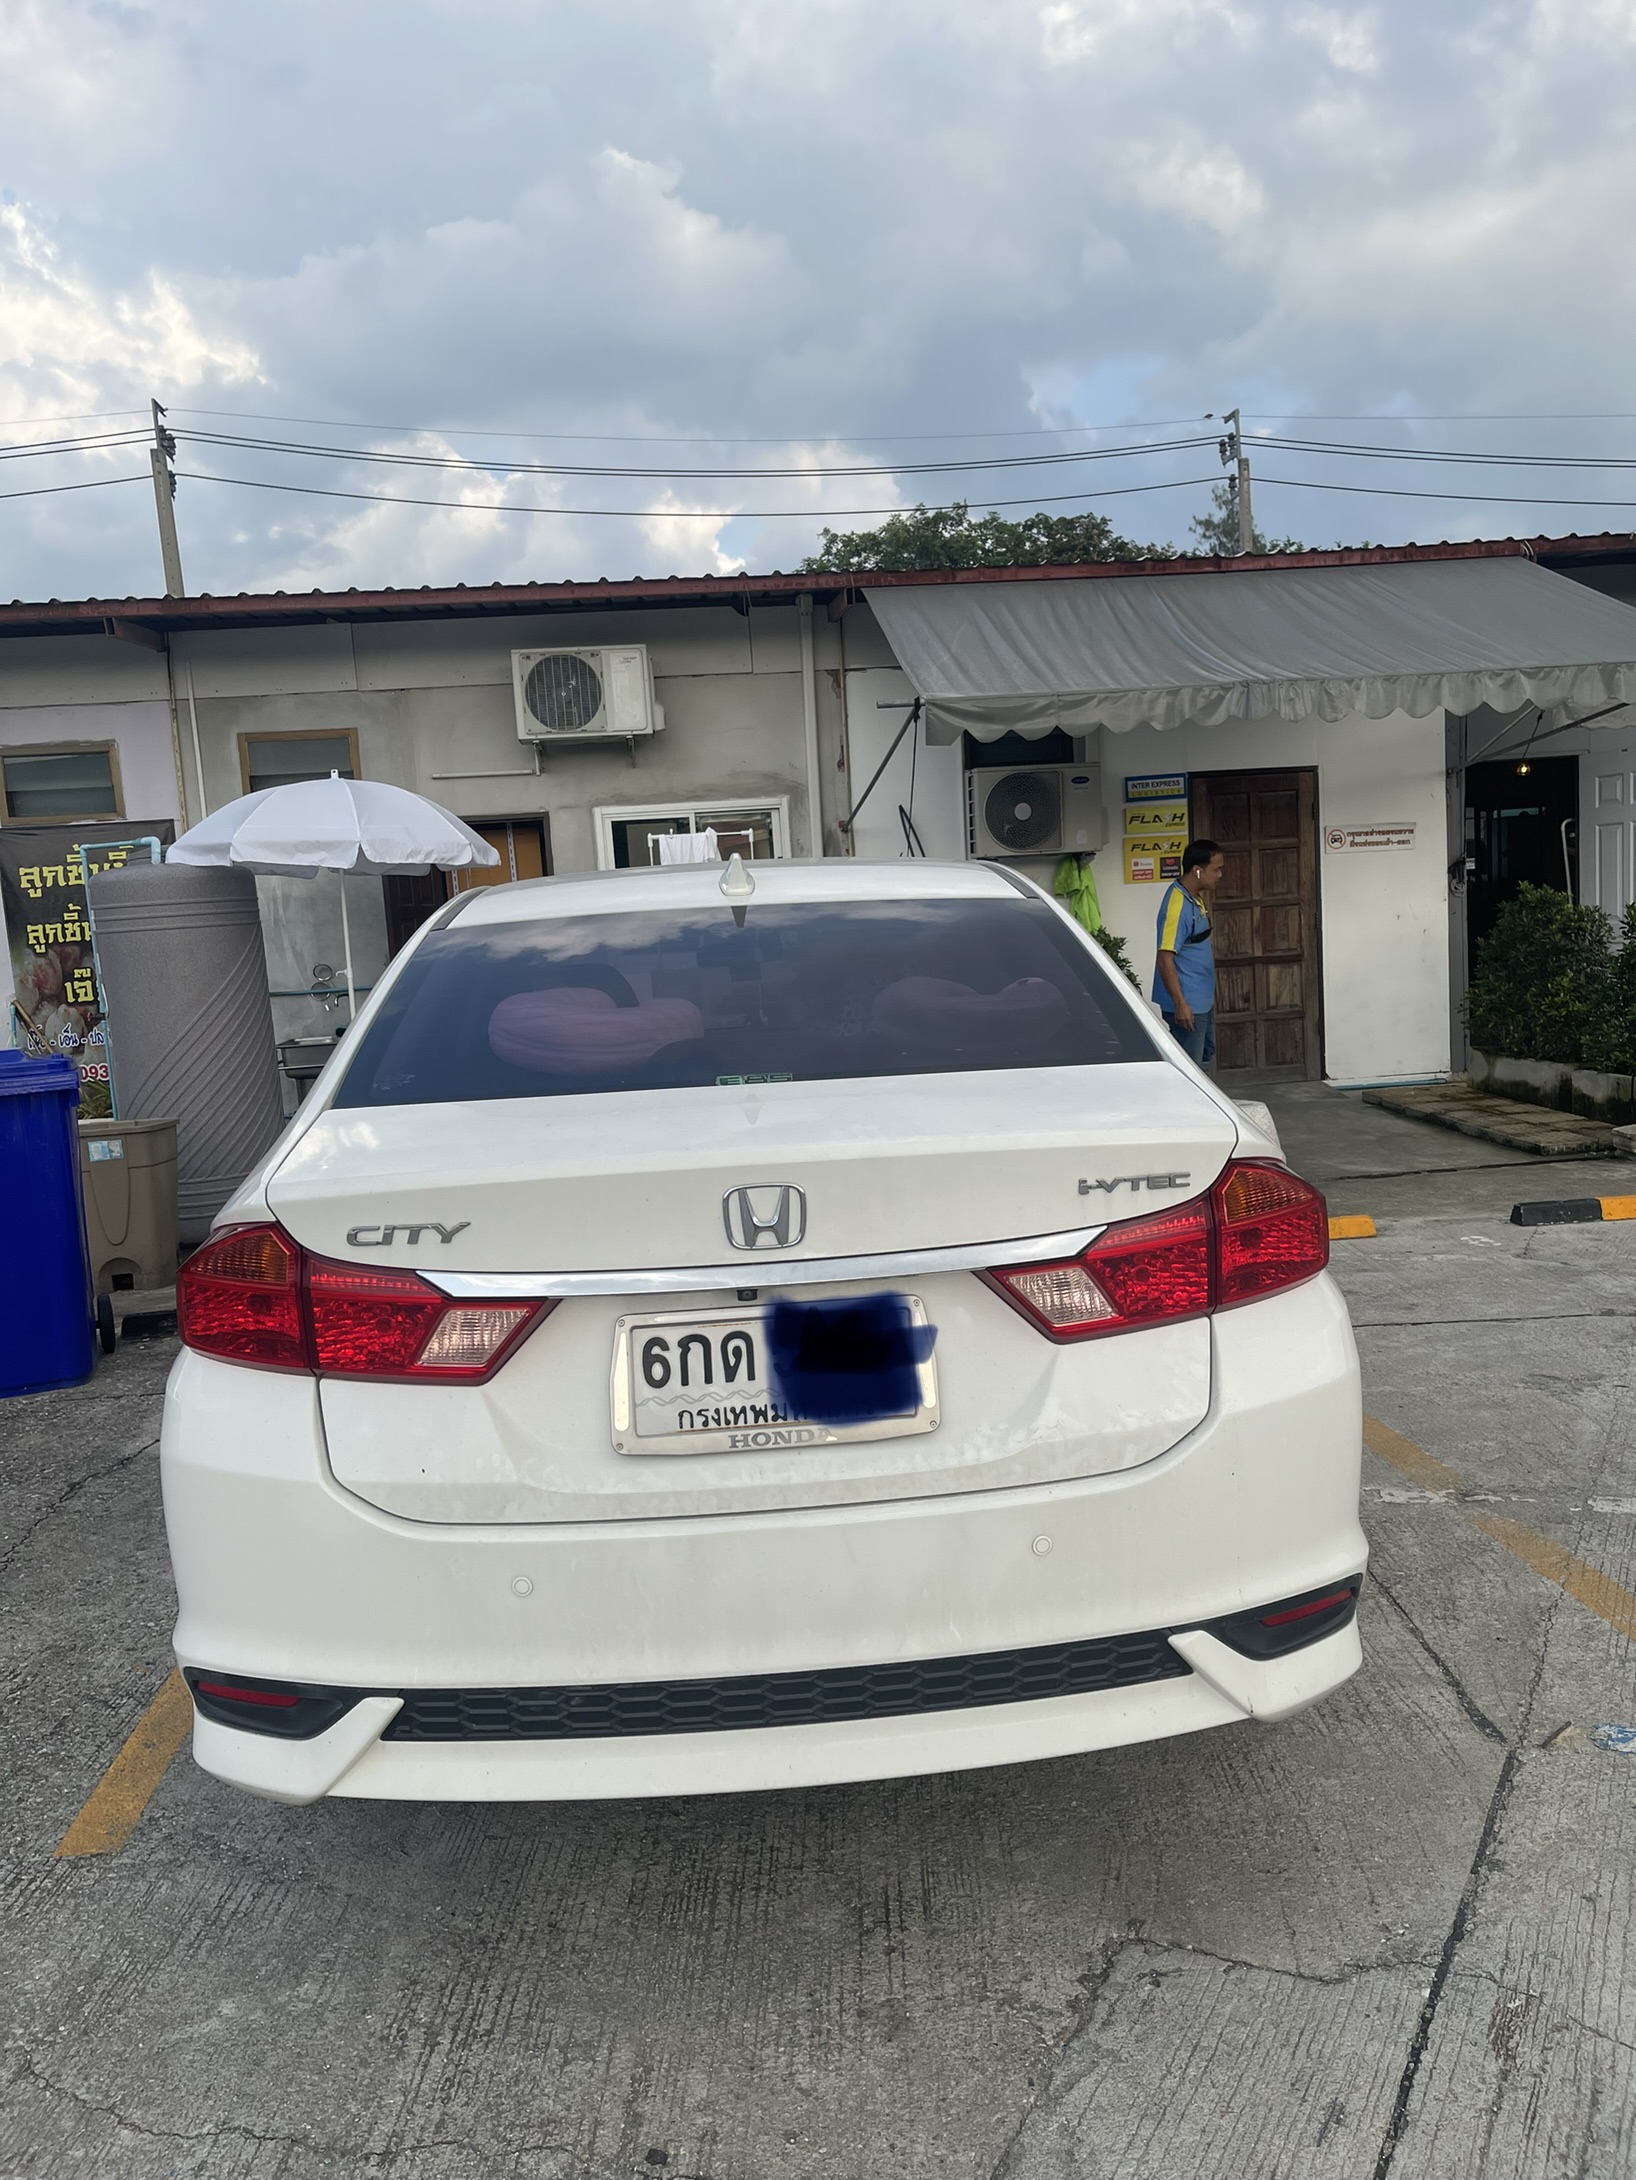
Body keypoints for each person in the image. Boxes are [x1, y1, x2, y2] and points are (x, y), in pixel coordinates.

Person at [1153, 839, 1226, 1067]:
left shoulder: (1193, 897)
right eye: (1216, 869)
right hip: (1187, 1004)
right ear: (1197, 871)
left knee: (1204, 1055)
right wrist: (1180, 1004)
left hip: (1201, 999)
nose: (1220, 875)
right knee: (1190, 1067)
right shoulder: (1177, 906)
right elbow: (1165, 958)